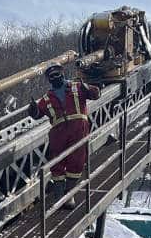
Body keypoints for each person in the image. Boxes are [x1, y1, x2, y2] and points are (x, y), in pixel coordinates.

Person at [29, 63, 101, 200]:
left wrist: (88, 88)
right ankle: (59, 194)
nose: (55, 77)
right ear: (49, 79)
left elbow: (95, 94)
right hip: (58, 132)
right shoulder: (47, 98)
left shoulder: (77, 87)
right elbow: (38, 114)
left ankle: (69, 193)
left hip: (78, 128)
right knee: (57, 160)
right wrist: (33, 110)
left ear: (62, 74)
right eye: (52, 76)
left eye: (57, 74)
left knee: (77, 159)